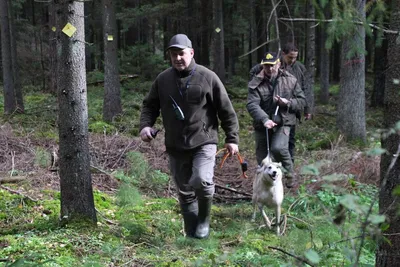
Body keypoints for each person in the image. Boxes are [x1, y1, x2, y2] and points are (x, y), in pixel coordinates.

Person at [139, 34, 240, 239]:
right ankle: (192, 233)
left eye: (181, 54)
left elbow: (226, 109)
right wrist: (145, 126)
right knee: (185, 191)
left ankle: (204, 221)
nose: (177, 58)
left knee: (202, 180)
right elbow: (150, 105)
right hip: (175, 144)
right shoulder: (163, 79)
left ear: (191, 53)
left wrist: (232, 138)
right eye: (173, 54)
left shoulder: (207, 77)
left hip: (204, 140)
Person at [246, 52, 306, 188]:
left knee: (278, 148)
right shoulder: (255, 82)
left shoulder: (290, 80)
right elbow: (252, 104)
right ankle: (265, 186)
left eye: (272, 65)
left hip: (283, 121)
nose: (269, 68)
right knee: (263, 160)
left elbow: (302, 101)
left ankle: (289, 174)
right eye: (266, 65)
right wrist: (264, 119)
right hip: (262, 124)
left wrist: (288, 103)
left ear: (278, 64)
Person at [249, 43, 313, 163]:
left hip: (289, 112)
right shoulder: (260, 69)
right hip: (267, 112)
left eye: (295, 57)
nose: (293, 60)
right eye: (290, 57)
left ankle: (288, 171)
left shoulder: (299, 68)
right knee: (268, 147)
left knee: (288, 144)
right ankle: (270, 171)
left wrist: (306, 109)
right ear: (283, 55)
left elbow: (303, 91)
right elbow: (254, 93)